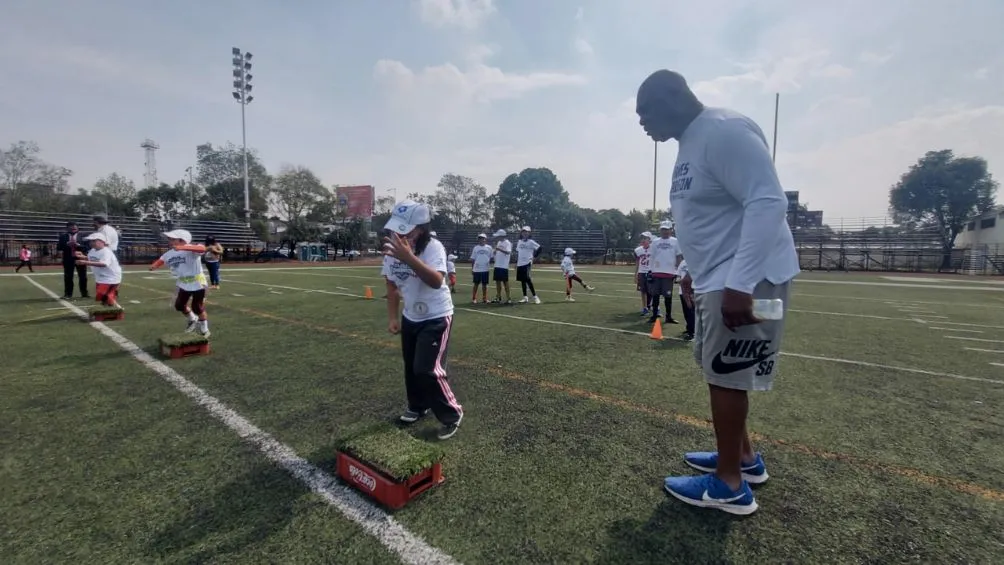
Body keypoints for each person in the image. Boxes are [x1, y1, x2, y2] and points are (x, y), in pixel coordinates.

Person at [637, 69, 799, 515]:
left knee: (728, 371)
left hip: (748, 279)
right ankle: (743, 459)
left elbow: (768, 201)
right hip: (719, 278)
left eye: (644, 111)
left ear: (671, 99)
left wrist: (740, 284)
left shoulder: (723, 130)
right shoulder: (694, 141)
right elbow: (711, 218)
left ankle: (729, 485)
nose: (641, 122)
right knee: (718, 370)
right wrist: (692, 269)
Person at [381, 200, 463, 440]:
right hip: (411, 317)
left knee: (427, 369)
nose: (399, 234)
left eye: (405, 229)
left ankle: (452, 413)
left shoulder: (433, 248)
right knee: (411, 368)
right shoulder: (392, 249)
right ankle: (418, 406)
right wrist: (393, 318)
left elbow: (436, 280)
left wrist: (408, 257)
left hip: (436, 315)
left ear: (420, 229)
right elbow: (391, 284)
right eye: (396, 229)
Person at [150, 229, 212, 337]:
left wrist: (182, 247)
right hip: (183, 282)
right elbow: (162, 260)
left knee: (197, 307)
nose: (170, 241)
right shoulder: (169, 253)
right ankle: (192, 319)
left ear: (182, 240)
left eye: (173, 239)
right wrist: (154, 265)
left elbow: (202, 248)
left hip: (198, 281)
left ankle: (205, 329)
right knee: (179, 305)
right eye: (170, 239)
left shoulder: (191, 250)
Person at [647, 220, 681, 325]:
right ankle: (654, 315)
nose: (664, 231)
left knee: (668, 296)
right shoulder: (655, 242)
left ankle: (668, 317)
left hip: (669, 273)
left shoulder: (675, 241)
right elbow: (652, 257)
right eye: (662, 229)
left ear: (671, 230)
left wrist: (677, 271)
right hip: (656, 272)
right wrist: (650, 270)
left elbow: (678, 256)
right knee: (655, 295)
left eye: (666, 229)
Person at [76, 233, 122, 309]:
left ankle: (116, 308)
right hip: (100, 277)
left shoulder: (106, 252)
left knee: (104, 295)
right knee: (101, 296)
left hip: (111, 277)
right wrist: (82, 257)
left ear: (101, 241)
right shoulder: (92, 250)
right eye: (90, 241)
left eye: (93, 241)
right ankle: (110, 307)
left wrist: (85, 262)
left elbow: (104, 264)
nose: (91, 243)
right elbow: (92, 259)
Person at [57, 221, 89, 299]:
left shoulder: (83, 236)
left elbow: (87, 247)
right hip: (68, 259)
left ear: (77, 228)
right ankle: (68, 294)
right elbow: (59, 247)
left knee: (83, 276)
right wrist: (67, 244)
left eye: (75, 228)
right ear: (67, 228)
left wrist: (78, 245)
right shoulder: (63, 236)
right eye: (71, 228)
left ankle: (84, 293)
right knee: (68, 277)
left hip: (80, 258)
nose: (73, 229)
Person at [514, 226, 542, 304]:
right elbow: (518, 253)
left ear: (529, 233)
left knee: (527, 279)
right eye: (523, 232)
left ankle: (535, 297)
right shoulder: (519, 242)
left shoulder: (531, 242)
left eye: (526, 232)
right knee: (522, 280)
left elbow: (540, 248)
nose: (524, 233)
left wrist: (534, 256)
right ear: (521, 233)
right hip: (520, 263)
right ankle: (525, 297)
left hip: (527, 263)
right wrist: (516, 263)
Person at [470, 233, 492, 304]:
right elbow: (473, 259)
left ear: (485, 239)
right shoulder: (475, 248)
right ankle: (474, 298)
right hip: (477, 269)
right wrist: (472, 269)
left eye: (482, 238)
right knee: (476, 284)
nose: (481, 240)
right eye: (480, 238)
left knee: (484, 285)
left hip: (485, 269)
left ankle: (484, 299)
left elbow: (491, 258)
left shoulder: (489, 248)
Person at [491, 229, 512, 304]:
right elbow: (497, 252)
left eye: (498, 236)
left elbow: (508, 252)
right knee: (497, 282)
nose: (497, 237)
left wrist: (499, 249)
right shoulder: (499, 242)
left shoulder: (507, 243)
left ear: (502, 236)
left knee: (505, 282)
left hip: (504, 266)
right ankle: (498, 297)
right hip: (497, 265)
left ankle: (508, 298)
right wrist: (494, 252)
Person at [677, 256, 696, 341]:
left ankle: (693, 332)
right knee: (686, 312)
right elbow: (678, 275)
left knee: (692, 312)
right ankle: (689, 328)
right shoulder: (683, 262)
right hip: (682, 291)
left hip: (692, 291)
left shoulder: (696, 260)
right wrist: (678, 280)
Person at [634, 232, 652, 315]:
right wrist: (635, 274)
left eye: (645, 238)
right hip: (642, 272)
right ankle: (644, 307)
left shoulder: (654, 248)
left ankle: (653, 306)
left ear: (649, 239)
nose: (643, 240)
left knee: (653, 291)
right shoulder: (638, 250)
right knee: (643, 291)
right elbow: (637, 263)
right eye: (642, 238)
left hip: (651, 272)